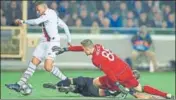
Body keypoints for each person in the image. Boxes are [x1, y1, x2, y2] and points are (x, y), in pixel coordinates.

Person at [51, 39, 174, 99]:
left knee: (95, 83)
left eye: (84, 50)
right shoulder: (98, 46)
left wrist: (116, 83)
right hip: (126, 69)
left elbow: (109, 72)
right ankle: (166, 95)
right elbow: (82, 47)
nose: (83, 51)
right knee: (139, 89)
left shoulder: (95, 59)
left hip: (117, 75)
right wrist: (67, 49)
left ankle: (112, 92)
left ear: (88, 49)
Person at [5, 1, 71, 94]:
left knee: (48, 67)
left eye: (39, 10)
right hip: (43, 42)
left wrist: (22, 21)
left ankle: (66, 80)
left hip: (53, 42)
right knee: (34, 62)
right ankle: (19, 84)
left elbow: (36, 22)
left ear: (45, 7)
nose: (38, 12)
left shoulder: (50, 14)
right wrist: (69, 40)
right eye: (37, 11)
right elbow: (64, 26)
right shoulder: (50, 15)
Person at [43, 70, 142, 98]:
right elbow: (137, 94)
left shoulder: (122, 78)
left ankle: (59, 85)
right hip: (95, 93)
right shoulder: (130, 88)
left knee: (75, 80)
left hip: (93, 85)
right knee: (79, 89)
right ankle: (70, 88)